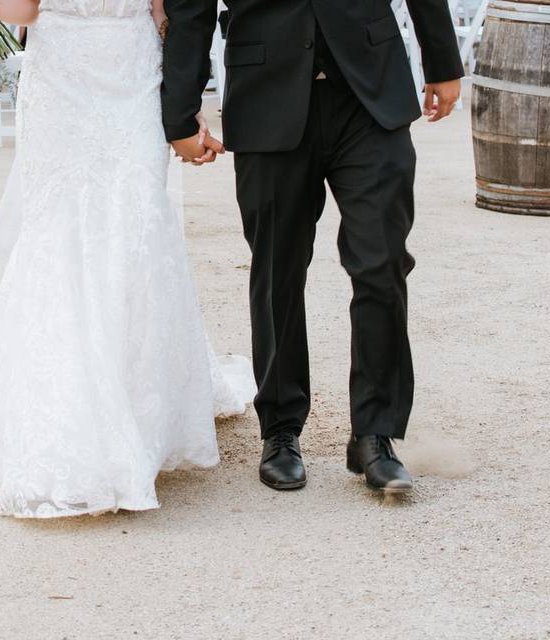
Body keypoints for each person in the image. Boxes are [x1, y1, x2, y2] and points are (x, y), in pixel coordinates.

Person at [0, 0, 255, 518]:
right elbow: (165, 13)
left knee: (64, 227)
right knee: (133, 222)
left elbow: (20, 11)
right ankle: (142, 405)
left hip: (69, 68)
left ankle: (89, 405)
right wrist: (183, 105)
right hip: (130, 65)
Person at [161, 0, 463, 494]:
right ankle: (280, 430)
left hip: (370, 92)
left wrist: (443, 61)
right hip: (266, 94)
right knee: (278, 268)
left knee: (381, 260)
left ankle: (375, 433)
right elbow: (190, 7)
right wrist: (179, 114)